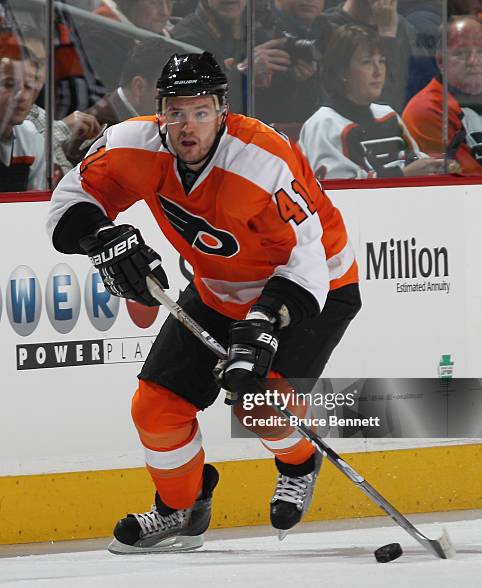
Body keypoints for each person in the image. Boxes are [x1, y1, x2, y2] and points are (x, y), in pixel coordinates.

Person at [47, 52, 361, 553]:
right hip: (217, 285)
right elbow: (69, 199)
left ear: (222, 111)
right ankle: (181, 509)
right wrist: (100, 236)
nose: (187, 126)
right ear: (159, 113)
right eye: (175, 112)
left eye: (200, 111)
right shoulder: (132, 144)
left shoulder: (263, 159)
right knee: (156, 406)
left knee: (258, 401)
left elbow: (309, 259)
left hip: (315, 284)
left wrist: (263, 323)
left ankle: (299, 462)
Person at [299, 25, 454, 179]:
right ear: (343, 71)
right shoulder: (323, 124)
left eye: (382, 61)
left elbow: (415, 160)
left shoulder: (388, 114)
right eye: (367, 62)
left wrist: (436, 166)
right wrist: (403, 175)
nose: (378, 71)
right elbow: (338, 189)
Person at [402, 15, 482, 175]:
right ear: (440, 61)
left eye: (481, 51)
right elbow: (464, 181)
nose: (474, 61)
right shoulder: (426, 109)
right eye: (461, 53)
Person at [20, 27, 101, 178]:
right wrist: (62, 128)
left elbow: (64, 181)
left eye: (41, 63)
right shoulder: (13, 116)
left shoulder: (39, 115)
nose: (35, 72)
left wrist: (72, 147)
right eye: (27, 61)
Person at [323, 0, 424, 112]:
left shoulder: (404, 28)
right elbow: (380, 101)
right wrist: (387, 38)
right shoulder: (327, 28)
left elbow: (418, 94)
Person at [0, 45, 46, 191]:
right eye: (9, 84)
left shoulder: (33, 138)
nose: (22, 96)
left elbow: (36, 203)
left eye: (29, 86)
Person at [94, 0, 175, 36]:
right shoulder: (97, 39)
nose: (165, 12)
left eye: (169, 2)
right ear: (127, 3)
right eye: (154, 2)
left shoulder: (167, 36)